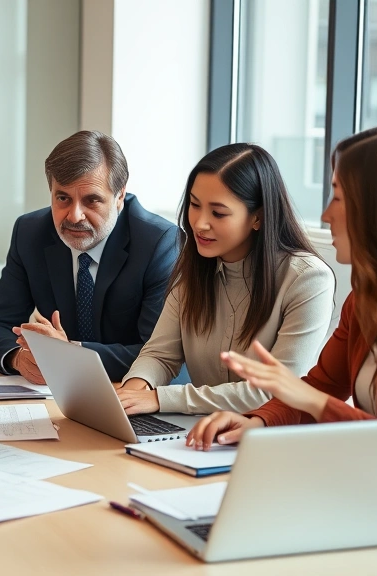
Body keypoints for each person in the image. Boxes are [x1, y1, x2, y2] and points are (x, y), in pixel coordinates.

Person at [187, 125, 377, 500]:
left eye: (338, 198)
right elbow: (320, 385)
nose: (326, 214)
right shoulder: (368, 298)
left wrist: (316, 404)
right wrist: (256, 421)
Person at [116, 143, 334, 415]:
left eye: (218, 213)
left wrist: (161, 399)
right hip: (199, 434)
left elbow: (276, 390)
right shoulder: (194, 268)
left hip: (268, 438)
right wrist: (134, 391)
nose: (199, 223)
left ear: (258, 217)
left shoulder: (307, 279)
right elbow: (159, 355)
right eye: (195, 205)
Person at [0, 130, 182, 384]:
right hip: (63, 396)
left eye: (91, 200)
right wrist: (20, 358)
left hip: (135, 394)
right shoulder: (30, 233)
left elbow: (159, 355)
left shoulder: (159, 243)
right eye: (63, 198)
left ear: (120, 196)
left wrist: (70, 353)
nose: (74, 216)